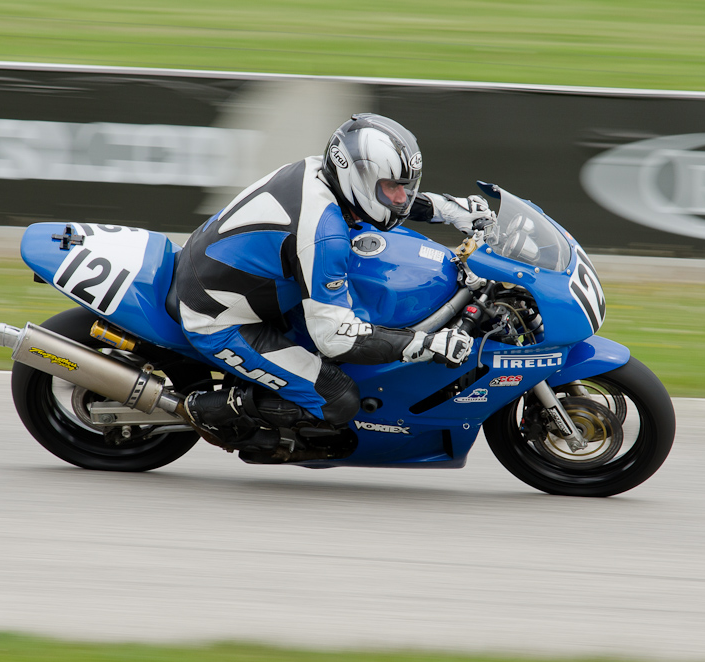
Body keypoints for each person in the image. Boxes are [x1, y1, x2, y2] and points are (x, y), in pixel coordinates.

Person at [173, 113, 495, 454]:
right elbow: (334, 339)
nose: (401, 197)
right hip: (218, 317)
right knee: (337, 398)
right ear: (356, 177)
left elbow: (377, 200)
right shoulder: (323, 234)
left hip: (232, 274)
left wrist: (446, 209)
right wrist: (425, 343)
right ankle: (205, 410)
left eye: (405, 186)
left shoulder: (320, 174)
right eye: (392, 186)